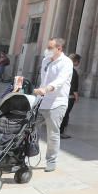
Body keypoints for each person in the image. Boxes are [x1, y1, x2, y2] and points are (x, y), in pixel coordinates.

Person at [32, 38, 73, 172]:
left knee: (52, 134)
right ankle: (25, 153)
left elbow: (60, 81)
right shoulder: (45, 61)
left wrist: (46, 89)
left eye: (50, 47)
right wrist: (39, 93)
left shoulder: (66, 62)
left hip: (57, 103)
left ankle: (51, 161)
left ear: (59, 48)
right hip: (41, 101)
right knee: (29, 128)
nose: (47, 50)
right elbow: (43, 80)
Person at [60, 54, 81, 139]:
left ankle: (58, 130)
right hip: (70, 96)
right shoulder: (73, 72)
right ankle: (61, 132)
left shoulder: (63, 69)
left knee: (62, 113)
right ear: (75, 61)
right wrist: (76, 96)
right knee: (65, 114)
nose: (78, 64)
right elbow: (74, 86)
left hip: (62, 94)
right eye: (78, 62)